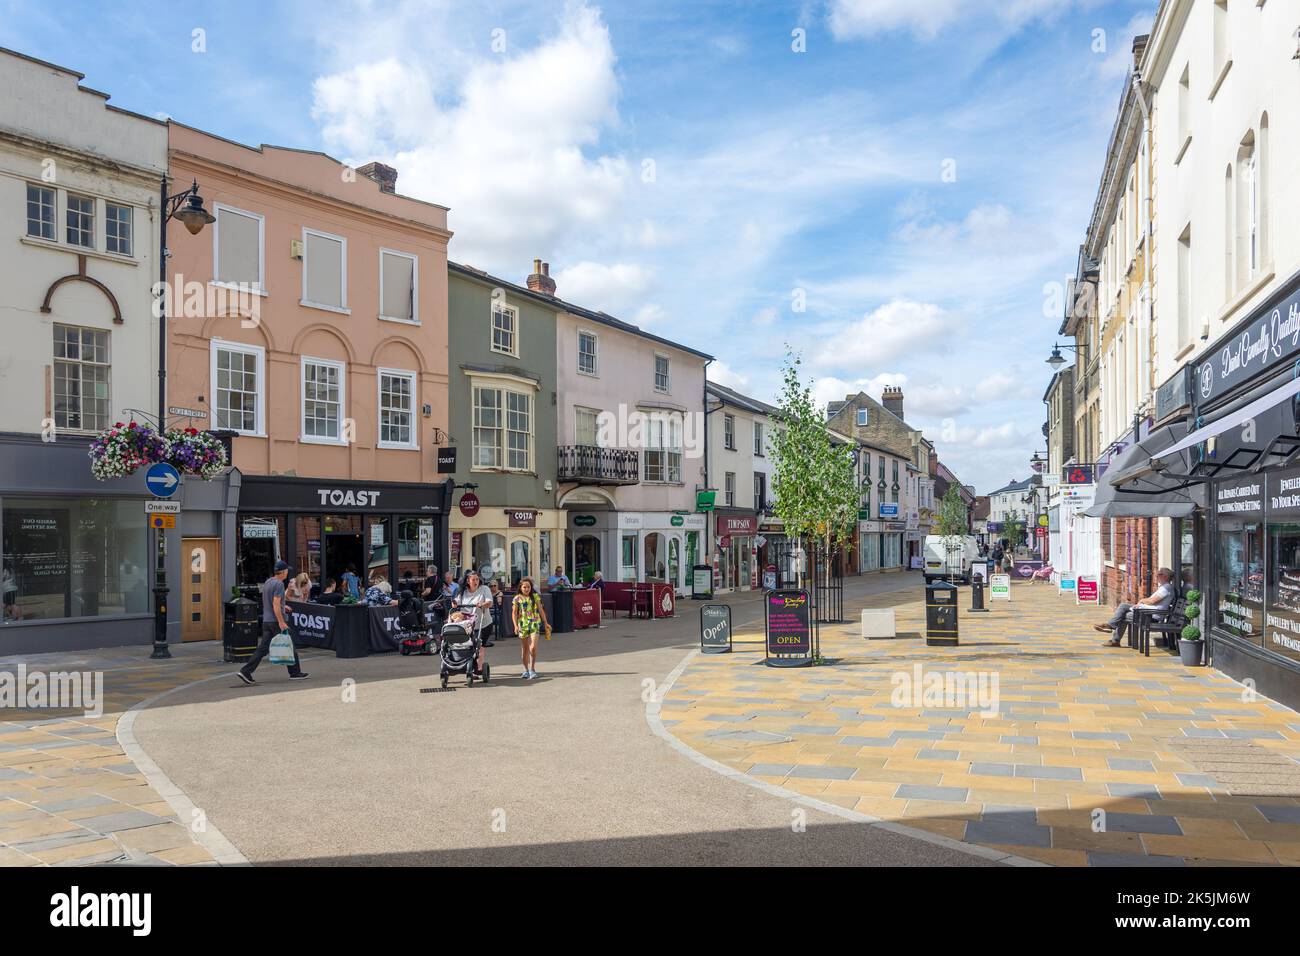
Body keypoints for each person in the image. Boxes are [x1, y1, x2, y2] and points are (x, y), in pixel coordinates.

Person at [238, 560, 307, 685]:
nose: (287, 573)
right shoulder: (279, 584)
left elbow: (270, 601)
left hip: (267, 621)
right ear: (283, 572)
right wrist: (281, 621)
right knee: (290, 644)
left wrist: (283, 606)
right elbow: (275, 603)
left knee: (263, 648)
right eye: (287, 571)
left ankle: (245, 671)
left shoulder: (268, 582)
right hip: (276, 621)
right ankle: (295, 673)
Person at [1096, 567, 1176, 647]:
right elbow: (1152, 601)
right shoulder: (1164, 587)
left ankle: (1114, 637)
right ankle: (1111, 628)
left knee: (1123, 616)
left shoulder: (1166, 588)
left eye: (1159, 574)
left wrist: (1142, 601)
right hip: (1147, 612)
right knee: (1123, 606)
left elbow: (1152, 601)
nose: (1157, 576)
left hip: (1151, 616)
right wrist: (1142, 603)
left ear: (1165, 577)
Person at [449, 570, 493, 673]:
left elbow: (489, 602)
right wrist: (454, 603)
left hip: (483, 623)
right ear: (468, 581)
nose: (476, 581)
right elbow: (456, 602)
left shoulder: (484, 589)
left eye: (477, 579)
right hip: (468, 624)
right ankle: (467, 665)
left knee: (479, 646)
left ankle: (479, 668)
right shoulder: (463, 591)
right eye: (473, 579)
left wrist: (483, 604)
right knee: (467, 646)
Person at [512, 576, 550, 679]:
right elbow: (514, 613)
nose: (526, 589)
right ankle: (525, 670)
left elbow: (541, 610)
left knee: (532, 647)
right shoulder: (517, 598)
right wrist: (515, 626)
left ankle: (532, 669)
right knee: (524, 649)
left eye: (528, 587)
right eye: (524, 587)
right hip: (522, 624)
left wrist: (545, 622)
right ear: (521, 587)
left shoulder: (535, 596)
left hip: (534, 623)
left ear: (531, 587)